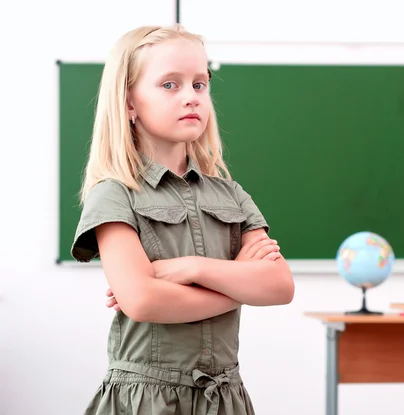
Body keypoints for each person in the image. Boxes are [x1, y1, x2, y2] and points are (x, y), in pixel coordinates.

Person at [70, 24, 295, 415]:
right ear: (128, 103)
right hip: (147, 399)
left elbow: (279, 287)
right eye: (170, 85)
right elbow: (143, 301)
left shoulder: (231, 194)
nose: (191, 97)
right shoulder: (115, 193)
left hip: (225, 398)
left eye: (200, 84)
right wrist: (238, 283)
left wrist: (192, 268)